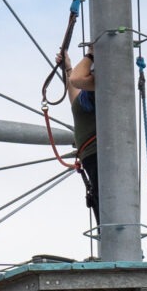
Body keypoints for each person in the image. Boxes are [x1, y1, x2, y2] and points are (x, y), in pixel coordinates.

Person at [62, 45, 98, 221]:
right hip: (92, 157)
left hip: (100, 156)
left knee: (105, 208)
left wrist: (91, 53)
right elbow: (75, 95)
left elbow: (77, 79)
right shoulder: (88, 96)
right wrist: (68, 68)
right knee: (101, 206)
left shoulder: (101, 85)